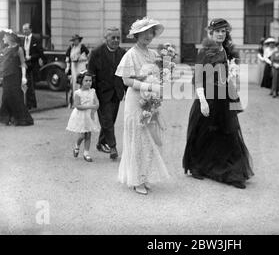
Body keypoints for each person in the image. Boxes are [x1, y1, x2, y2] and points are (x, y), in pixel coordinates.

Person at [183, 18, 254, 189]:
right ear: (211, 33)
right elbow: (198, 78)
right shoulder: (205, 52)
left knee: (227, 133)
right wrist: (202, 101)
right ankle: (196, 167)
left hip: (224, 97)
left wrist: (232, 78)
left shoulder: (227, 51)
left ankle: (231, 172)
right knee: (203, 134)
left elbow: (229, 74)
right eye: (217, 31)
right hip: (208, 97)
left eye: (224, 31)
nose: (221, 34)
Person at [115, 17, 170, 195]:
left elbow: (160, 75)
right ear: (137, 35)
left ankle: (144, 176)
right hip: (136, 100)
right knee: (138, 138)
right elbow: (126, 80)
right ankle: (136, 179)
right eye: (144, 33)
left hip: (150, 99)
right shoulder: (130, 54)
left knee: (150, 139)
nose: (148, 36)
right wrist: (147, 86)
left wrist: (164, 76)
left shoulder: (153, 54)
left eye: (151, 33)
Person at [88, 27, 126, 160]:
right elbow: (90, 73)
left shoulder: (123, 53)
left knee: (110, 120)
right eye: (113, 38)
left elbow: (125, 74)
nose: (116, 40)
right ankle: (113, 147)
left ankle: (100, 142)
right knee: (108, 120)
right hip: (101, 93)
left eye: (118, 38)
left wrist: (126, 91)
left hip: (117, 93)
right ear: (106, 39)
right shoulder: (96, 53)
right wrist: (90, 95)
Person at [0, 30, 33, 126]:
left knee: (16, 96)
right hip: (6, 77)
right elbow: (3, 64)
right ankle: (7, 117)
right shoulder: (5, 50)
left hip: (15, 76)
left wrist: (23, 77)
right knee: (6, 97)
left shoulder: (19, 49)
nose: (3, 39)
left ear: (10, 38)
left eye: (4, 37)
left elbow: (23, 64)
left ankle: (21, 118)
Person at [66, 71, 100, 162]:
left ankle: (86, 153)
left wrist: (93, 110)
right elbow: (78, 106)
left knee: (88, 134)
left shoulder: (93, 91)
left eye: (90, 80)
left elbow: (97, 103)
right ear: (81, 81)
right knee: (81, 135)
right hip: (81, 116)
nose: (89, 82)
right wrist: (89, 106)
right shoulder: (78, 93)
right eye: (86, 81)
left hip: (89, 115)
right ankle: (77, 145)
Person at [22, 23, 45, 110]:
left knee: (30, 84)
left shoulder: (36, 39)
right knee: (27, 84)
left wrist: (31, 57)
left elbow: (40, 52)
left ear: (30, 29)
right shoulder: (23, 40)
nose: (25, 31)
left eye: (26, 29)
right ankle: (29, 103)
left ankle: (31, 104)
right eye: (23, 29)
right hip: (25, 64)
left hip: (32, 64)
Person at [65, 34, 89, 107]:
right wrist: (67, 67)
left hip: (81, 65)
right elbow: (67, 58)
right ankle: (74, 101)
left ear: (79, 40)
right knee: (74, 82)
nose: (74, 42)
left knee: (81, 81)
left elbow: (88, 56)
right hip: (73, 66)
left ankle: (83, 100)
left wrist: (83, 60)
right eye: (73, 40)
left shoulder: (82, 47)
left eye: (76, 40)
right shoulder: (71, 47)